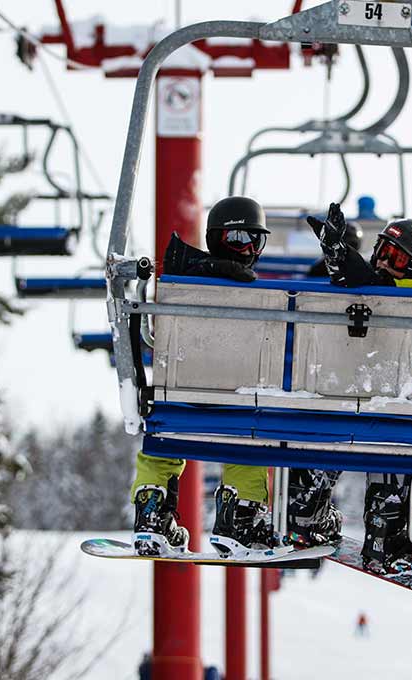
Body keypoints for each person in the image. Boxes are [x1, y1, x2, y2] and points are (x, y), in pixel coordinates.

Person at [286, 203, 412, 574]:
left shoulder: (407, 292)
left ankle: (307, 512)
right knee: (391, 439)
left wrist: (338, 254)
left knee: (326, 423)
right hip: (391, 409)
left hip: (356, 402)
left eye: (397, 258)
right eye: (382, 253)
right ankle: (383, 530)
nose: (385, 263)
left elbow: (365, 281)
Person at [131, 196, 276, 557]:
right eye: (238, 238)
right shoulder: (259, 296)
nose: (246, 249)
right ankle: (241, 516)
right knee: (251, 442)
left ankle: (151, 511)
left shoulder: (178, 284)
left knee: (162, 438)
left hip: (176, 400)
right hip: (243, 406)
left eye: (253, 240)